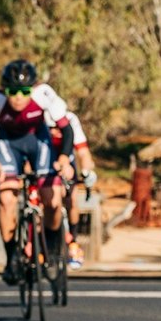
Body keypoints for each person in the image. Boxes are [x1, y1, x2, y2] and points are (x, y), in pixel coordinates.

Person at [0, 59, 75, 285]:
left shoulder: (44, 94)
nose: (19, 97)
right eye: (13, 91)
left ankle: (51, 252)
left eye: (24, 91)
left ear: (32, 88)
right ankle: (12, 257)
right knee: (6, 198)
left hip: (38, 140)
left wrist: (63, 159)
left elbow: (67, 130)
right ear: (5, 90)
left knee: (52, 199)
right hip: (8, 144)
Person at [53, 110, 97, 269]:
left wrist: (86, 171)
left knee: (71, 198)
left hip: (67, 166)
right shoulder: (38, 116)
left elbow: (83, 152)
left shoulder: (70, 119)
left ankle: (73, 241)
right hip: (45, 162)